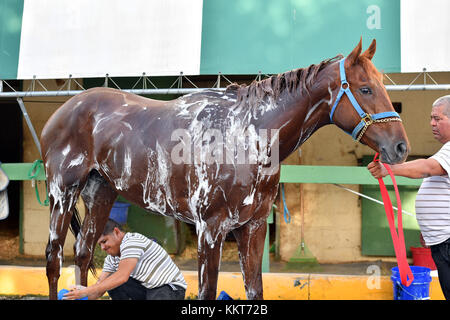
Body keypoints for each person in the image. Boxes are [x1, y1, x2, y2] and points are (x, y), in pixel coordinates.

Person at [367, 95, 450, 300]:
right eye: (431, 118)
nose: (432, 123)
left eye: (438, 118)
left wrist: (389, 169)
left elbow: (427, 168)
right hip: (443, 242)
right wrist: (430, 232)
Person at [64, 219, 187, 300]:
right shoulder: (111, 258)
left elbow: (122, 276)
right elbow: (99, 289)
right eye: (99, 245)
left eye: (104, 241)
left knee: (116, 279)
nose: (102, 248)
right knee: (109, 283)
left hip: (170, 288)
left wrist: (85, 291)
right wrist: (75, 296)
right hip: (148, 291)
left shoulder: (132, 241)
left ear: (116, 232)